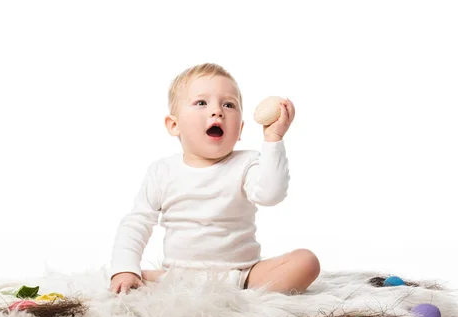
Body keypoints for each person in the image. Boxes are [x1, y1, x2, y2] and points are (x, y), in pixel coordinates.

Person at [109, 63, 320, 294]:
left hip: (242, 275)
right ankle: (179, 288)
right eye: (201, 103)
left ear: (239, 130)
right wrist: (125, 269)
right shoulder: (162, 172)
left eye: (228, 105)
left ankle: (241, 300)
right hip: (178, 276)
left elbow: (270, 194)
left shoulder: (247, 163)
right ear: (174, 124)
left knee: (306, 262)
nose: (217, 111)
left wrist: (273, 139)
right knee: (128, 279)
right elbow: (136, 223)